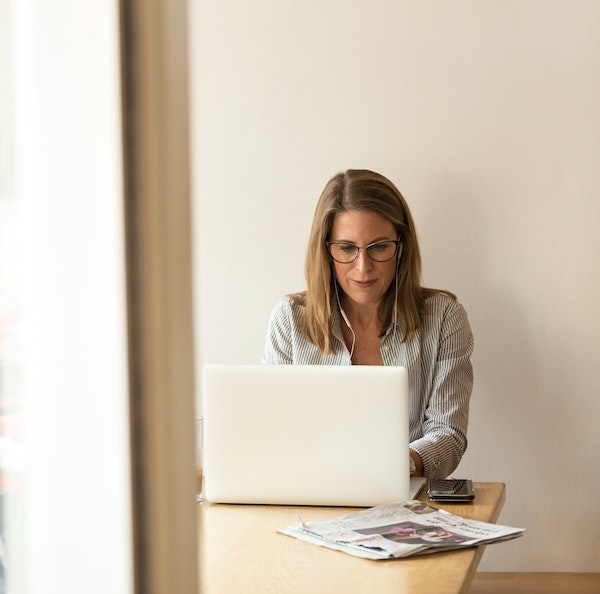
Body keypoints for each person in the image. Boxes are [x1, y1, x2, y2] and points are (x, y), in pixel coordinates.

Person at [262, 169, 473, 478]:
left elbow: (449, 434)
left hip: (406, 502)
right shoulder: (289, 319)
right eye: (347, 248)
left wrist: (396, 466)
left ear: (401, 246)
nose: (363, 267)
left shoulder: (443, 317)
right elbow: (272, 433)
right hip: (309, 497)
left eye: (378, 247)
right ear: (326, 250)